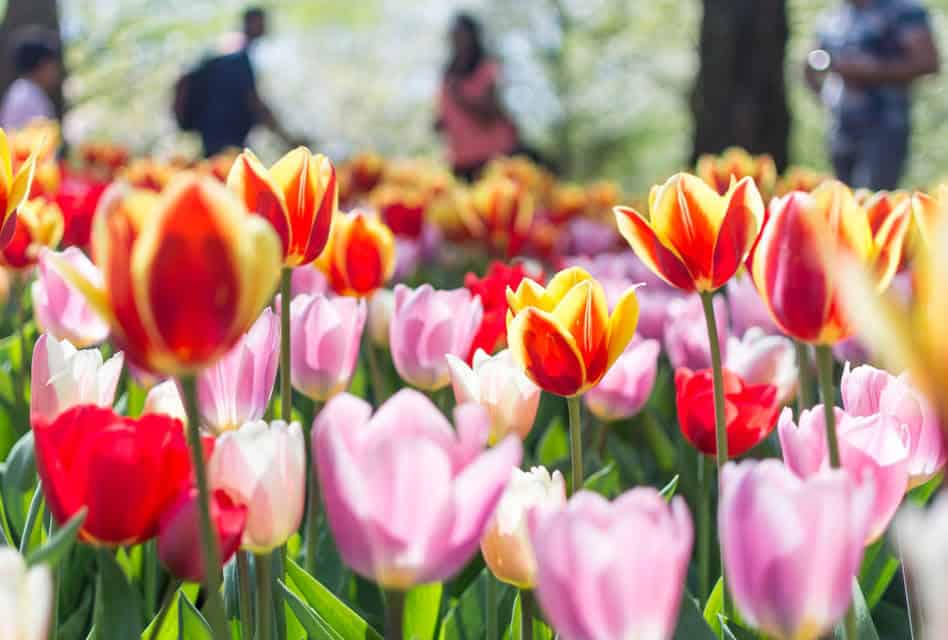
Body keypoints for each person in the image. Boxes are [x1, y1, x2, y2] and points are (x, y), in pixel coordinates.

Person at [806, 0, 939, 190]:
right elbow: (811, 61)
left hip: (884, 126)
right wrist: (824, 94)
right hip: (840, 126)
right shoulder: (834, 15)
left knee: (876, 195)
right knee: (841, 197)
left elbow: (927, 63)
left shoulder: (905, 11)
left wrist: (871, 71)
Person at [189, 7, 300, 157]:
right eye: (262, 22)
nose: (266, 27)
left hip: (211, 130)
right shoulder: (239, 56)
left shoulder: (224, 48)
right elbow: (253, 101)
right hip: (227, 134)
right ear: (251, 22)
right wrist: (285, 138)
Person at [437, 14, 519, 181]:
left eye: (461, 35)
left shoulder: (487, 68)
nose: (457, 40)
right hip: (460, 159)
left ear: (473, 36)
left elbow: (490, 113)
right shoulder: (447, 75)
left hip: (493, 157)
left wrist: (461, 98)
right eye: (453, 35)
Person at [0, 27, 60, 130]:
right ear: (42, 65)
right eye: (53, 66)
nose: (56, 72)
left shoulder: (21, 91)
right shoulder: (30, 95)